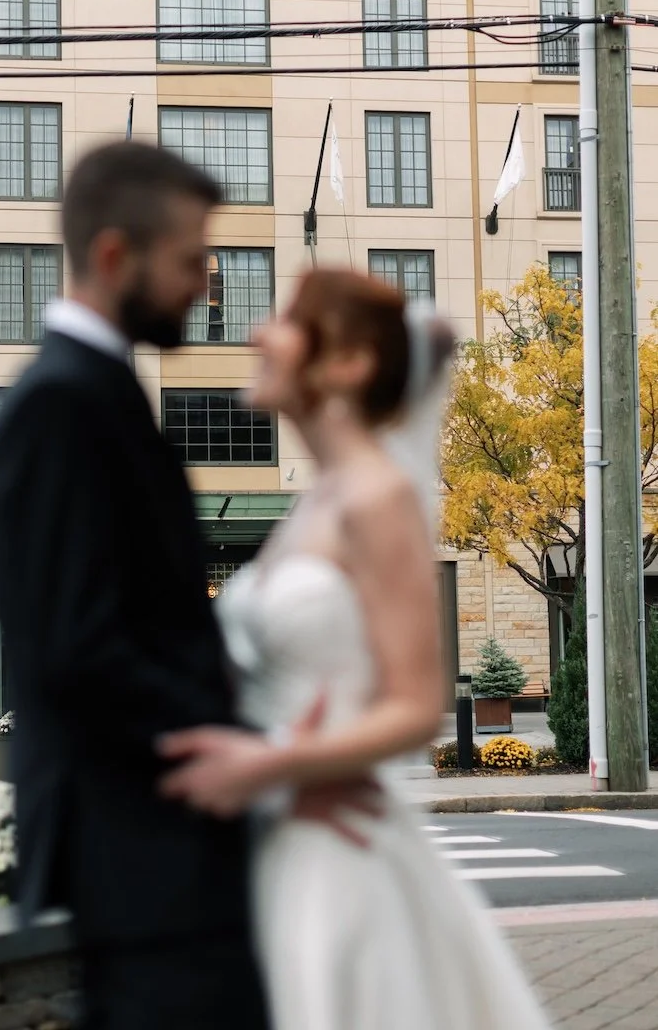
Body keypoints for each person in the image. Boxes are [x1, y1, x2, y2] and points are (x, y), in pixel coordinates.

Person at [0, 143, 367, 1030]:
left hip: (162, 851)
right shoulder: (59, 408)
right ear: (117, 255)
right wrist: (268, 760)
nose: (207, 284)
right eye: (192, 260)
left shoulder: (99, 394)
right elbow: (82, 651)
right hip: (140, 855)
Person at [159, 268, 553, 1030]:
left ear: (347, 363)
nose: (257, 332)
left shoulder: (380, 498)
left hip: (338, 856)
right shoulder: (321, 500)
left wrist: (272, 765)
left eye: (285, 321)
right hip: (285, 838)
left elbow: (416, 706)